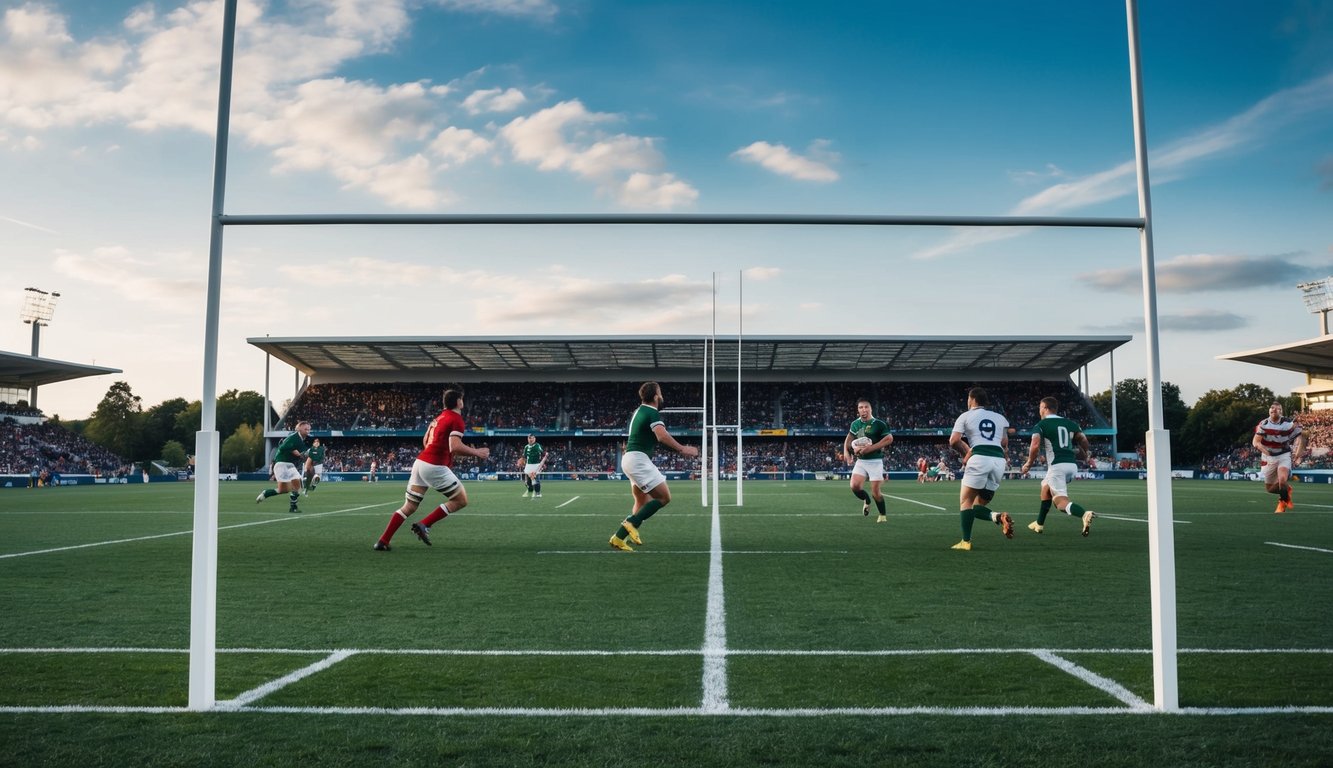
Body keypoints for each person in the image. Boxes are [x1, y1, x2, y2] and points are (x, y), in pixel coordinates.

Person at [373, 389, 490, 551]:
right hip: (434, 466)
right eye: (462, 399)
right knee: (460, 500)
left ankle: (383, 541)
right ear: (459, 402)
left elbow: (426, 441)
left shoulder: (438, 418)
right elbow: (454, 446)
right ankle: (424, 524)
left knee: (409, 506)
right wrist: (477, 452)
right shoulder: (456, 419)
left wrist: (446, 453)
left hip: (420, 462)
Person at [609, 381, 699, 552]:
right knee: (664, 497)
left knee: (642, 500)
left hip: (630, 459)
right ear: (656, 396)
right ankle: (630, 523)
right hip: (637, 460)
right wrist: (683, 449)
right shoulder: (652, 412)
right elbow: (661, 435)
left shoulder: (638, 411)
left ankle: (619, 538)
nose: (662, 396)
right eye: (661, 393)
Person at [1019, 396, 1097, 536]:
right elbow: (1083, 440)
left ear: (1045, 408)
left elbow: (1035, 445)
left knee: (1060, 503)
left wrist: (1028, 463)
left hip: (1057, 466)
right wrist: (1087, 455)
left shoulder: (1041, 425)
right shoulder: (1070, 423)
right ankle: (1039, 523)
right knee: (1045, 487)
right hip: (1072, 465)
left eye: (1040, 408)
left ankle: (1084, 514)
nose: (1039, 411)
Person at [948, 387, 1014, 550]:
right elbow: (1004, 442)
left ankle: (966, 542)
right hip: (998, 461)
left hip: (979, 459)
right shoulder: (1000, 418)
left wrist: (966, 452)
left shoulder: (965, 416)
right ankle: (998, 517)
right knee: (978, 506)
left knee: (966, 503)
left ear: (972, 399)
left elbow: (954, 440)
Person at [842, 398, 894, 523]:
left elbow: (889, 439)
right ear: (858, 410)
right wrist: (846, 453)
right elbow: (849, 439)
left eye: (866, 407)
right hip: (861, 461)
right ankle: (867, 500)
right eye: (861, 407)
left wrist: (870, 449)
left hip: (875, 461)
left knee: (876, 492)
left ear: (870, 409)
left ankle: (882, 515)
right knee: (854, 486)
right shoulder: (855, 424)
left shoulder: (879, 424)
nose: (863, 410)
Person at [1252, 402, 1308, 513]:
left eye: (1277, 408)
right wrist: (1263, 450)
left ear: (1281, 412)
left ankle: (1282, 503)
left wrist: (1298, 454)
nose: (1274, 409)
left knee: (1282, 481)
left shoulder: (1289, 424)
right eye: (1272, 408)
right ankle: (1287, 490)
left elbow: (1303, 436)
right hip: (1268, 457)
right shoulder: (1263, 424)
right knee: (1270, 489)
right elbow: (1255, 441)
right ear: (1269, 410)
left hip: (1283, 455)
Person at [256, 420, 310, 513]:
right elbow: (282, 447)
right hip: (282, 464)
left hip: (289, 465)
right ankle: (292, 507)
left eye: (309, 429)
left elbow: (302, 454)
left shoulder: (300, 440)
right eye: (306, 429)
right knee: (292, 486)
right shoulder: (294, 437)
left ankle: (268, 494)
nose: (308, 431)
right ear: (299, 429)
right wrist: (297, 453)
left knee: (286, 489)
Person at [519, 434, 548, 499]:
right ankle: (530, 489)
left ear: (534, 439)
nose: (530, 439)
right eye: (529, 438)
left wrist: (545, 457)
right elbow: (524, 456)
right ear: (527, 439)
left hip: (536, 465)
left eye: (532, 438)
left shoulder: (537, 446)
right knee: (528, 481)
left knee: (536, 479)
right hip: (528, 465)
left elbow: (543, 453)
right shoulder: (526, 447)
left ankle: (538, 493)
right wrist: (521, 461)